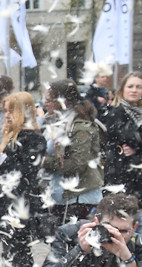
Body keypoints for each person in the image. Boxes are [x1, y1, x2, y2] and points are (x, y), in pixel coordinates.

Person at [0, 91, 45, 267]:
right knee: (11, 253)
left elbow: (25, 173)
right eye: (5, 111)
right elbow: (4, 174)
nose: (6, 116)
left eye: (10, 112)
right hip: (6, 203)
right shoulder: (12, 137)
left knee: (20, 253)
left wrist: (1, 159)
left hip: (20, 204)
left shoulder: (33, 138)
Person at [41, 80, 105, 235]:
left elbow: (77, 165)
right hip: (61, 195)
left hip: (78, 198)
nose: (45, 103)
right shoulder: (59, 123)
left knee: (72, 247)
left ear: (64, 102)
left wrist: (45, 162)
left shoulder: (79, 127)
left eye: (49, 100)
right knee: (60, 245)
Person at [101, 72, 142, 222]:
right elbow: (127, 138)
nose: (134, 90)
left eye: (139, 87)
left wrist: (138, 150)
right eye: (130, 86)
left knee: (138, 222)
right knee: (118, 220)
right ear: (122, 90)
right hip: (119, 172)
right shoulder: (115, 113)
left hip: (139, 176)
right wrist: (141, 147)